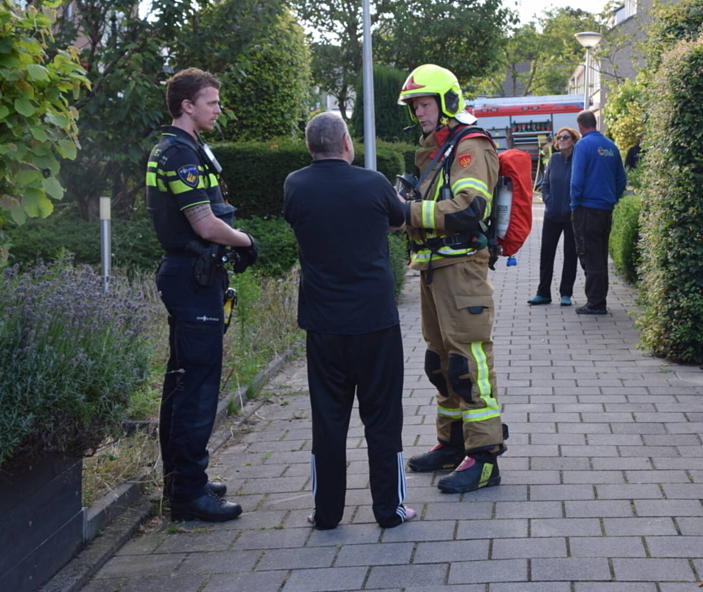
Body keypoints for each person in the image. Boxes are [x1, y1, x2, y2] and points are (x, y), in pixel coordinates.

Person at [283, 112, 415, 530]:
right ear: (345, 144)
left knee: (328, 419)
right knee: (382, 417)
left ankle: (326, 514)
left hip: (323, 324)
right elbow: (399, 218)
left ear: (310, 147)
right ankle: (389, 511)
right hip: (375, 321)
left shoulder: (295, 185)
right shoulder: (374, 183)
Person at [146, 68, 259, 523]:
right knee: (196, 387)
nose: (217, 108)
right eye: (211, 102)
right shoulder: (180, 154)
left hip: (189, 274)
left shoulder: (179, 148)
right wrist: (247, 241)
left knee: (182, 381)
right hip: (192, 278)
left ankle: (183, 479)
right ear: (186, 106)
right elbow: (205, 223)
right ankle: (189, 496)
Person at [397, 64, 507, 494]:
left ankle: (484, 458)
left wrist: (405, 213)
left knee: (468, 362)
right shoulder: (435, 148)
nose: (418, 113)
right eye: (414, 106)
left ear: (447, 102)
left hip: (461, 269)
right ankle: (453, 442)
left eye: (424, 103)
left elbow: (467, 209)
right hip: (433, 268)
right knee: (440, 363)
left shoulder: (469, 145)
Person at [570, 110, 626, 316]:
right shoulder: (611, 145)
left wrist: (574, 204)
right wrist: (611, 198)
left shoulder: (583, 145)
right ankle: (599, 298)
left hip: (587, 208)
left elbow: (577, 180)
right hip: (605, 209)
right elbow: (621, 179)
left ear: (580, 126)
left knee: (589, 254)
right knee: (601, 254)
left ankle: (595, 303)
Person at [528, 127, 580, 307]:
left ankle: (566, 293)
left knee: (570, 255)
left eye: (566, 137)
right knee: (546, 254)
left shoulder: (579, 160)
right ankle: (543, 293)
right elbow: (546, 184)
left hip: (571, 215)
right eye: (560, 137)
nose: (562, 140)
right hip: (551, 215)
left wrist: (574, 206)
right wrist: (548, 201)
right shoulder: (554, 160)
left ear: (573, 140)